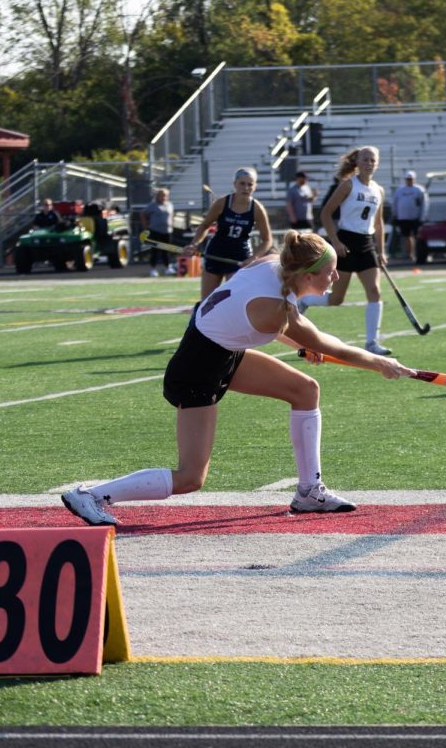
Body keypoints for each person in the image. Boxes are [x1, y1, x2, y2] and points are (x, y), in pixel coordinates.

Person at [60, 231, 415, 526]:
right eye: (331, 272)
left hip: (221, 351)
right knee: (190, 478)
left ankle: (310, 493)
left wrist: (299, 343)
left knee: (304, 390)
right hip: (197, 367)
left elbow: (265, 319)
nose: (336, 278)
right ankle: (92, 495)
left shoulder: (273, 265)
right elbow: (325, 343)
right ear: (307, 275)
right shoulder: (276, 311)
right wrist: (381, 363)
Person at [300, 146, 392, 355]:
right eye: (365, 160)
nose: (369, 163)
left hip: (367, 242)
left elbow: (378, 223)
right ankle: (305, 299)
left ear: (377, 163)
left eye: (373, 160)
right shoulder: (348, 185)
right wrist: (335, 241)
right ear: (357, 162)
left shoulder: (378, 190)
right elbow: (325, 214)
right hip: (346, 241)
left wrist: (382, 251)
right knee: (336, 299)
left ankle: (372, 342)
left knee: (375, 291)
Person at [183, 167, 273, 300]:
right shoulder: (222, 203)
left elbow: (267, 240)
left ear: (255, 186)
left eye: (250, 184)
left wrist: (253, 258)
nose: (246, 187)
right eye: (242, 183)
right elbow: (205, 225)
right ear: (235, 184)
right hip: (216, 253)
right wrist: (194, 244)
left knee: (233, 300)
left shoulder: (257, 208)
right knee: (207, 302)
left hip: (239, 258)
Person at [391, 170, 427, 261]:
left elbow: (424, 204)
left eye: (411, 179)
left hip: (415, 218)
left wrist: (422, 216)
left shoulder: (419, 190)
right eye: (408, 179)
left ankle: (419, 254)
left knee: (417, 237)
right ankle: (410, 254)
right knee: (407, 236)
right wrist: (395, 214)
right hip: (403, 218)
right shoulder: (400, 190)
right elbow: (395, 203)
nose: (409, 181)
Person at [141, 187, 177, 276]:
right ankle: (153, 269)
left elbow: (171, 215)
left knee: (166, 250)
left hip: (167, 231)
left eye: (165, 195)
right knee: (155, 251)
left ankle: (167, 268)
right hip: (155, 231)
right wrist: (146, 226)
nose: (163, 197)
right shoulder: (152, 205)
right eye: (161, 195)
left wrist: (171, 224)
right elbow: (143, 213)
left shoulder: (169, 205)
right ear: (157, 196)